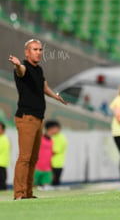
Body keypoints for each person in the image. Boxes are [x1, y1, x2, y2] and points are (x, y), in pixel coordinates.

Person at [8, 39, 67, 200]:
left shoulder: (38, 69)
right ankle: (19, 193)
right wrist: (17, 64)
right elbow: (21, 71)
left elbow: (44, 87)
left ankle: (28, 192)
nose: (39, 52)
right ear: (27, 52)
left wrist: (56, 97)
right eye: (35, 49)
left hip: (38, 118)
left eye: (40, 49)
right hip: (26, 117)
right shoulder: (24, 67)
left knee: (34, 158)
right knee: (25, 157)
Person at [34, 121, 59, 190]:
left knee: (46, 189)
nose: (58, 130)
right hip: (37, 168)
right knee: (34, 188)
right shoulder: (40, 139)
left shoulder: (53, 140)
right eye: (56, 128)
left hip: (48, 170)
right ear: (51, 128)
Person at [51, 120, 67, 186]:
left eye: (53, 128)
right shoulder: (53, 137)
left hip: (57, 164)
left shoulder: (61, 138)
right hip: (51, 163)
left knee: (55, 183)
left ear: (58, 128)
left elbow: (55, 150)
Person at [0, 121, 10, 190]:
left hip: (1, 164)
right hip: (2, 164)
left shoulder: (3, 139)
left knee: (2, 184)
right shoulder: (4, 138)